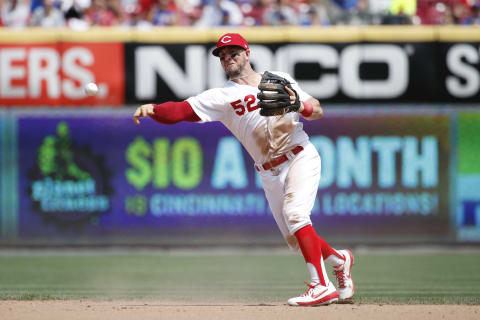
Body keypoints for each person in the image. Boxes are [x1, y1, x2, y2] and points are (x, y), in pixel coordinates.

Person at [132, 33, 355, 306]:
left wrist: (299, 103)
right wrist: (153, 109)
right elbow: (179, 111)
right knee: (297, 240)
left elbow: (317, 110)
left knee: (297, 214)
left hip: (299, 156)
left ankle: (321, 286)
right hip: (268, 171)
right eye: (222, 56)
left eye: (233, 53)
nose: (228, 58)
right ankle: (339, 260)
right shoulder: (222, 96)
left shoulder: (279, 79)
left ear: (247, 53)